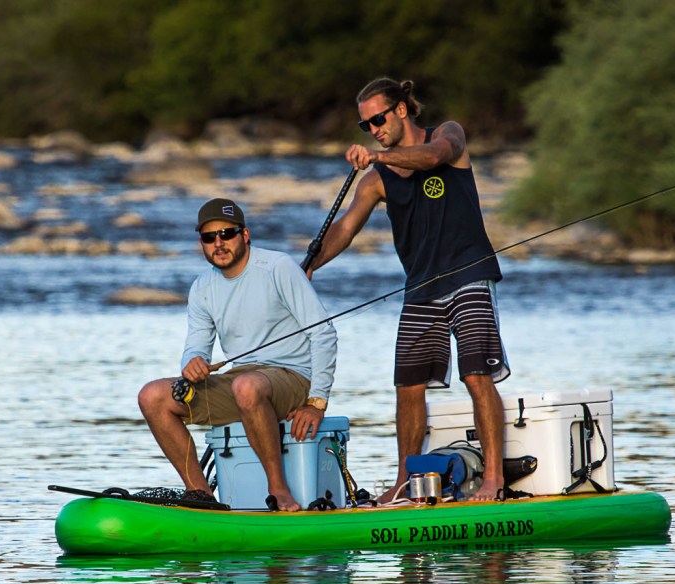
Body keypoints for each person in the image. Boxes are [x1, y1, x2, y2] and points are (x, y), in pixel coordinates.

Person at [305, 77, 510, 502]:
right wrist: (306, 267)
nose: (373, 128)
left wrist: (378, 154)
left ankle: (493, 479)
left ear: (401, 109)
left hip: (468, 274)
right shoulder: (377, 180)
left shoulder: (446, 135)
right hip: (420, 287)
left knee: (476, 374)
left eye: (378, 119)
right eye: (366, 126)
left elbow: (436, 156)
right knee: (408, 388)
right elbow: (344, 228)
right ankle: (404, 482)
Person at [138, 198, 338, 512]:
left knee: (246, 386)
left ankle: (278, 490)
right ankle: (201, 497)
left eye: (227, 234)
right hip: (241, 381)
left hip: (292, 378)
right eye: (209, 237)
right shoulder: (202, 287)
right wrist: (192, 363)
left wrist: (317, 403)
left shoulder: (278, 267)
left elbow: (323, 332)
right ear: (202, 243)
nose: (218, 243)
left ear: (245, 235)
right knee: (152, 396)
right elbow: (196, 347)